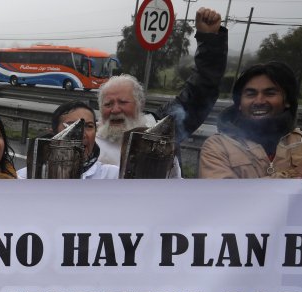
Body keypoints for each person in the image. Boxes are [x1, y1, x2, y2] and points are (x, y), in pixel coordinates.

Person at [95, 7, 227, 170]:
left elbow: (201, 92)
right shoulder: (87, 140)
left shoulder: (162, 130)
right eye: (108, 104)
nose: (115, 110)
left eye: (123, 102)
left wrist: (209, 40)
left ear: (140, 105)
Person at [198, 61, 302, 185]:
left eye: (270, 93)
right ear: (239, 103)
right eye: (251, 94)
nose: (259, 101)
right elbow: (222, 198)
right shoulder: (217, 146)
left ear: (288, 101)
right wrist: (294, 175)